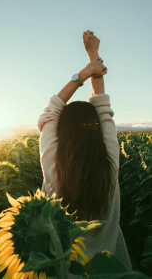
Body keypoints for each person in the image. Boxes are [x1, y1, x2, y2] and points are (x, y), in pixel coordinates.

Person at [37, 30, 132, 271]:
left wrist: (84, 73)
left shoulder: (53, 167)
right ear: (97, 129)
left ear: (62, 132)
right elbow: (102, 104)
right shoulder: (110, 161)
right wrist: (94, 55)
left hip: (63, 272)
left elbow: (51, 111)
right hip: (112, 272)